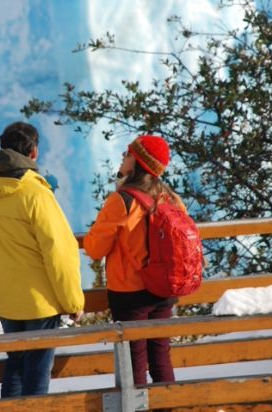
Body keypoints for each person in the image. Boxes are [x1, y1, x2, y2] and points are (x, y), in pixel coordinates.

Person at [0, 121, 85, 397]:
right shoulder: (35, 194)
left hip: (7, 297)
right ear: (33, 152)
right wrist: (73, 302)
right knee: (37, 374)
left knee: (16, 365)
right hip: (40, 302)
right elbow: (59, 252)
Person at [83, 135, 185, 386]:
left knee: (134, 363)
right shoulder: (170, 198)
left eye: (128, 154)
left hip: (130, 293)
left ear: (138, 162)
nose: (123, 157)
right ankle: (169, 405)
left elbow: (95, 248)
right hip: (163, 290)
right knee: (161, 357)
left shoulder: (122, 201)